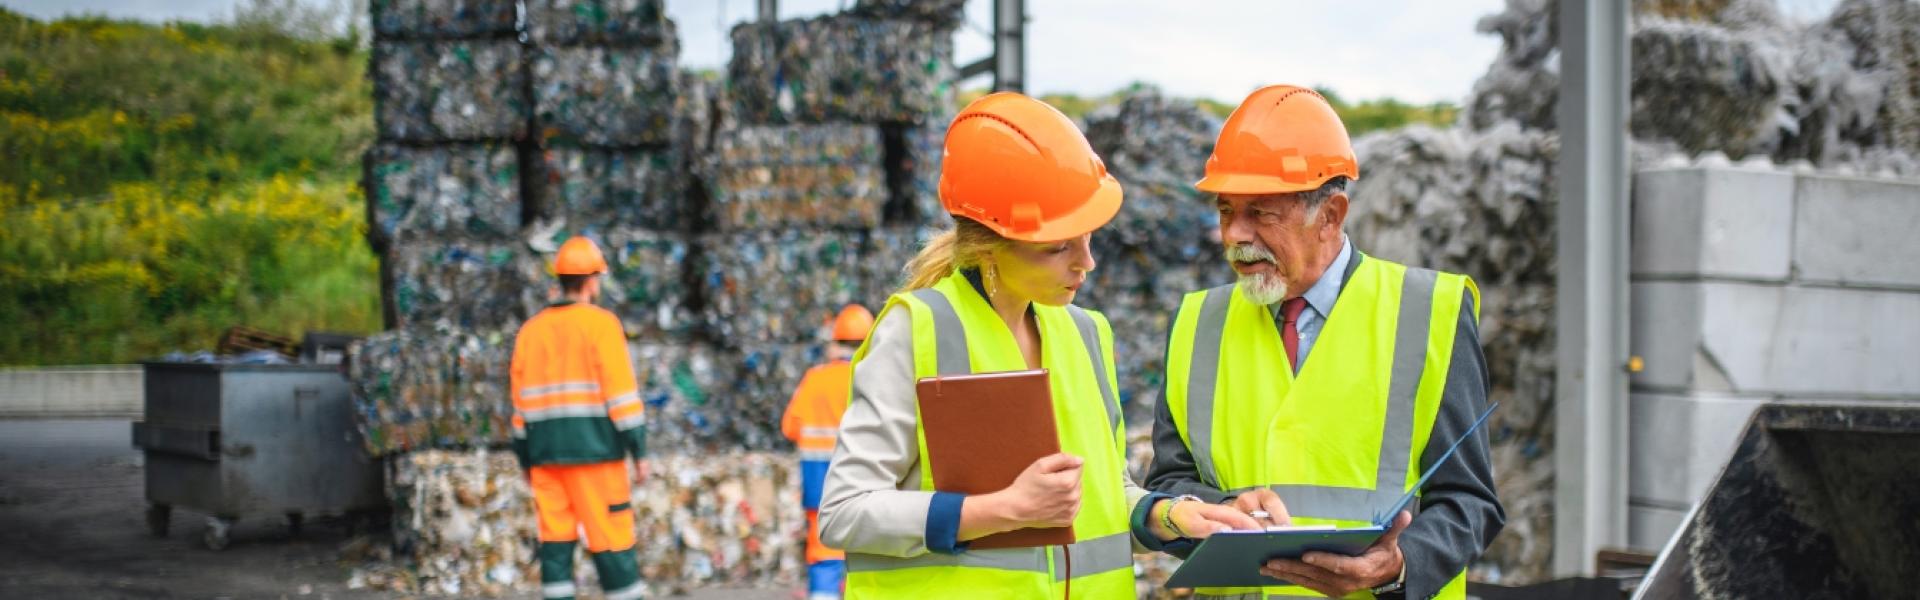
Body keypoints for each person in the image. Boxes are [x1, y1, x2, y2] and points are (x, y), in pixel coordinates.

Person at [817, 92, 1257, 599]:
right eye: (1058, 247)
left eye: (1088, 238)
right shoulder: (917, 330)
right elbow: (844, 512)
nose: (1085, 263)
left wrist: (1170, 515)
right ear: (990, 246)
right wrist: (1004, 509)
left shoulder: (1086, 333)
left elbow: (1099, 497)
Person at [1143, 84, 1505, 599]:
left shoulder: (1431, 313)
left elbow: (1471, 501)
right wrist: (1214, 512)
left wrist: (1400, 563)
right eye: (1226, 211)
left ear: (1331, 215)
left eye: (1261, 213)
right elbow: (1168, 485)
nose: (1234, 236)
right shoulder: (1198, 322)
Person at [509, 236, 649, 600]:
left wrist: (525, 458)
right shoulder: (601, 325)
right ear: (591, 282)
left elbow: (520, 407)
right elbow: (622, 397)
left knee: (555, 547)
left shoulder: (530, 332)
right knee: (612, 543)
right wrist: (640, 451)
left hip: (546, 460)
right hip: (596, 458)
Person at [781, 304, 875, 600]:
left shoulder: (815, 378)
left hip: (819, 485)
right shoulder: (873, 378)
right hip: (865, 486)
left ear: (835, 343)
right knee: (869, 557)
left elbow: (790, 427)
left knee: (825, 555)